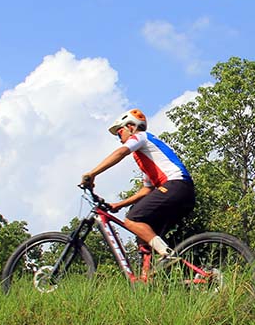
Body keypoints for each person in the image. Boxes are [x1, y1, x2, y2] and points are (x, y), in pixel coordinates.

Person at [80, 108, 194, 269]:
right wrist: (119, 205)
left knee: (132, 220)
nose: (120, 139)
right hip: (182, 192)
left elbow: (120, 153)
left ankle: (167, 255)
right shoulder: (146, 157)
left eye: (120, 133)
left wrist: (93, 173)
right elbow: (146, 190)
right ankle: (147, 282)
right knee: (145, 237)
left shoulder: (141, 136)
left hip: (176, 185)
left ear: (131, 127)